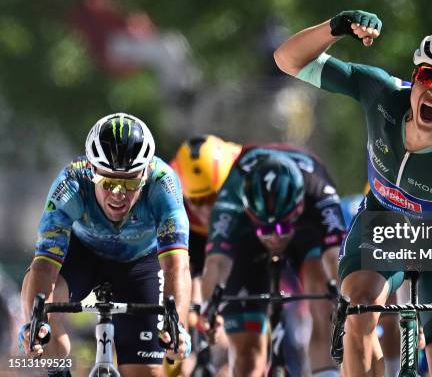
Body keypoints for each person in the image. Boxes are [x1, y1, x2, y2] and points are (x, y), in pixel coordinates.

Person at [275, 10, 432, 376]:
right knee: (358, 311)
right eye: (428, 76)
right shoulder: (381, 93)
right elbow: (287, 59)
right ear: (415, 76)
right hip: (384, 224)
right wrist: (334, 28)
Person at [18, 113, 192, 377]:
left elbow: (177, 265)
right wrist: (35, 323)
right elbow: (43, 264)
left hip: (140, 262)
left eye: (130, 182)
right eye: (108, 181)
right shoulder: (71, 183)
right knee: (45, 324)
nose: (118, 194)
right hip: (82, 254)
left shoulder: (163, 184)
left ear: (145, 174)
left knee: (147, 373)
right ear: (91, 171)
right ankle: (56, 368)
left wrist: (177, 324)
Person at [200, 145, 346, 377]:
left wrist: (345, 300)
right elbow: (216, 263)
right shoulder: (232, 197)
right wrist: (210, 310)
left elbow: (336, 257)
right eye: (267, 228)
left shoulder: (318, 191)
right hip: (248, 237)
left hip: (305, 231)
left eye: (281, 227)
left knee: (324, 300)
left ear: (298, 207)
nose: (275, 236)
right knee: (247, 352)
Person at [169, 135, 240, 376]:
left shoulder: (238, 164)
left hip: (234, 230)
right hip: (192, 236)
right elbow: (186, 267)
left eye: (212, 198)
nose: (205, 209)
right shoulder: (169, 184)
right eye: (198, 200)